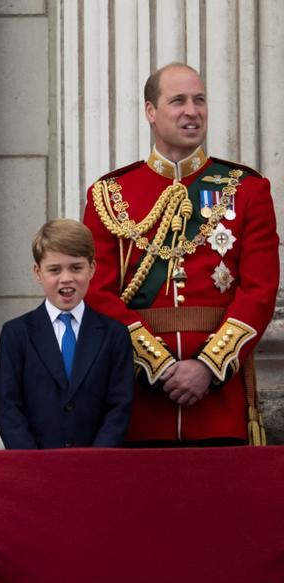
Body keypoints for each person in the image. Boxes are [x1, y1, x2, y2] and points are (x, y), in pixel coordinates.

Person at [82, 62, 279, 445]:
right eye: (178, 101)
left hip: (217, 403)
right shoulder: (109, 195)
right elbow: (97, 292)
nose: (193, 110)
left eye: (200, 100)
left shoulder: (247, 190)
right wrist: (157, 366)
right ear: (151, 112)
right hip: (137, 402)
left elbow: (259, 291)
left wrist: (208, 366)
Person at [0, 219, 133, 449]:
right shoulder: (16, 334)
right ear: (38, 272)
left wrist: (95, 460)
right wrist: (33, 462)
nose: (66, 278)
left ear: (92, 269)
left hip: (95, 466)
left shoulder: (114, 334)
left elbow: (119, 407)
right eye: (54, 269)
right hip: (36, 467)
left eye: (76, 268)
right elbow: (8, 406)